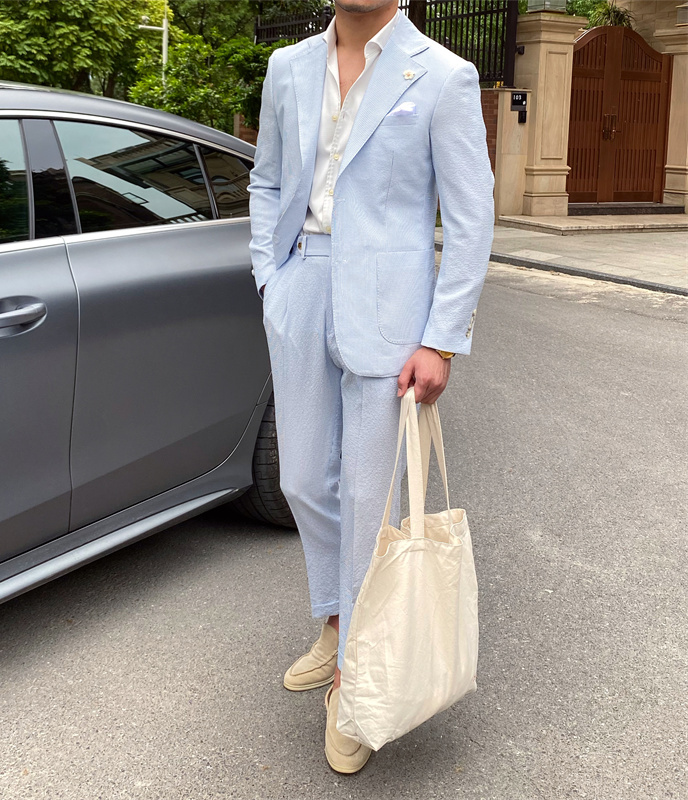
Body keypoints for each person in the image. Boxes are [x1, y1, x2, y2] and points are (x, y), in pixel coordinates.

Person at [247, 0, 494, 773]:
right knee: (299, 478)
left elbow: (471, 212)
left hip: (392, 314)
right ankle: (333, 619)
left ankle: (357, 677)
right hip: (302, 287)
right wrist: (270, 279)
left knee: (366, 498)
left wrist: (442, 337)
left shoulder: (445, 76)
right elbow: (267, 181)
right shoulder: (287, 67)